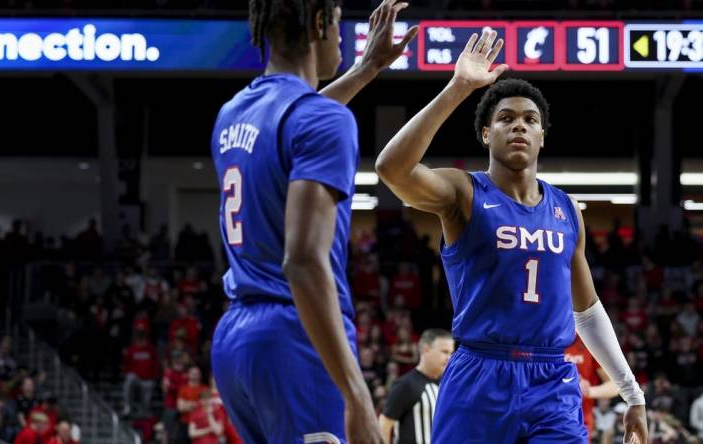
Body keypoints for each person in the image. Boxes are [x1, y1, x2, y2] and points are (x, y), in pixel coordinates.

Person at [375, 30, 648, 443]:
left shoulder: (567, 210)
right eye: (505, 118)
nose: (518, 125)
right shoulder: (464, 193)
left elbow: (587, 311)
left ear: (542, 137)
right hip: (479, 375)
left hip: (551, 377)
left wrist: (632, 394)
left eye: (529, 120)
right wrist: (459, 88)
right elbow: (391, 169)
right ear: (486, 134)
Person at [209, 0, 418, 442]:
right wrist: (357, 394)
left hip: (235, 339)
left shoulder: (233, 113)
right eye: (339, 22)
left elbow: (295, 124)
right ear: (321, 23)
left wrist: (365, 71)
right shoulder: (325, 120)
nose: (341, 34)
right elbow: (303, 261)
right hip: (296, 337)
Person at [379, 329, 454, 444]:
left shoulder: (447, 385)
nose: (449, 358)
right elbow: (385, 425)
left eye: (451, 353)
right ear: (426, 350)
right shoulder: (406, 384)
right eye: (444, 352)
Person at [565, 334, 619, 440]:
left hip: (580, 421)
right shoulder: (544, 338)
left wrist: (588, 391)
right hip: (547, 418)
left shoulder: (590, 342)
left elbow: (615, 385)